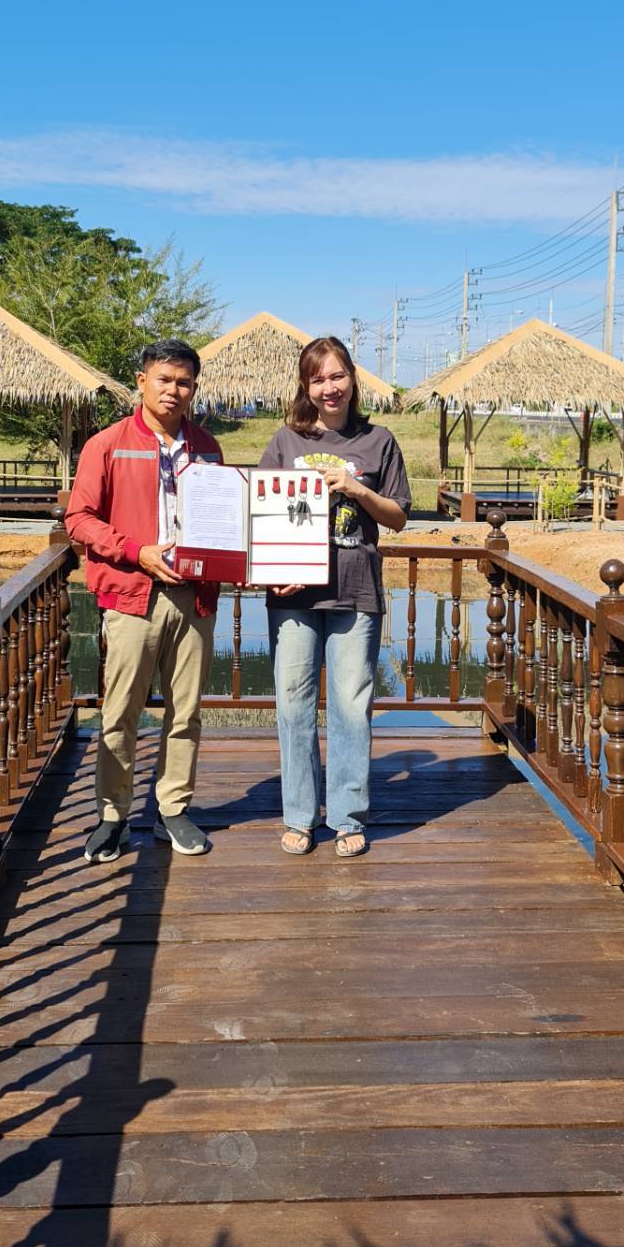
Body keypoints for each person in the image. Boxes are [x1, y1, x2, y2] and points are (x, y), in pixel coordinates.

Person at [65, 339, 222, 863]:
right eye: (164, 379)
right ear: (142, 381)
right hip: (131, 596)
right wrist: (137, 552)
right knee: (120, 712)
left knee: (186, 713)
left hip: (194, 599)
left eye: (184, 382)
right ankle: (112, 816)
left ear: (194, 388)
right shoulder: (107, 445)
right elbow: (79, 519)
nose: (174, 390)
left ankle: (172, 809)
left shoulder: (208, 448)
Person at [260, 336, 411, 857]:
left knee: (351, 706)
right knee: (293, 705)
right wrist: (271, 572)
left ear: (352, 379)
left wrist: (356, 488)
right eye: (318, 378)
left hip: (355, 591)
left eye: (337, 375)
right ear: (306, 386)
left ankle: (347, 818)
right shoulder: (285, 441)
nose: (329, 387)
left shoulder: (379, 441)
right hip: (294, 596)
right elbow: (262, 516)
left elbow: (398, 517)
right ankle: (300, 817)